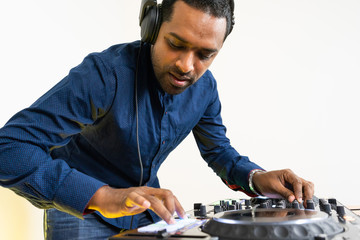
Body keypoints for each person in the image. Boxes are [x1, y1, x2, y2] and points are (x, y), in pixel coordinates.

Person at [0, 0, 314, 239]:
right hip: (82, 211)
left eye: (205, 54)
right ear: (152, 28)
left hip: (146, 210)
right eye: (176, 44)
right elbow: (8, 149)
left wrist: (256, 177)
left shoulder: (205, 89)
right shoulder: (103, 75)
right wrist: (103, 195)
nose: (186, 66)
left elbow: (220, 153)